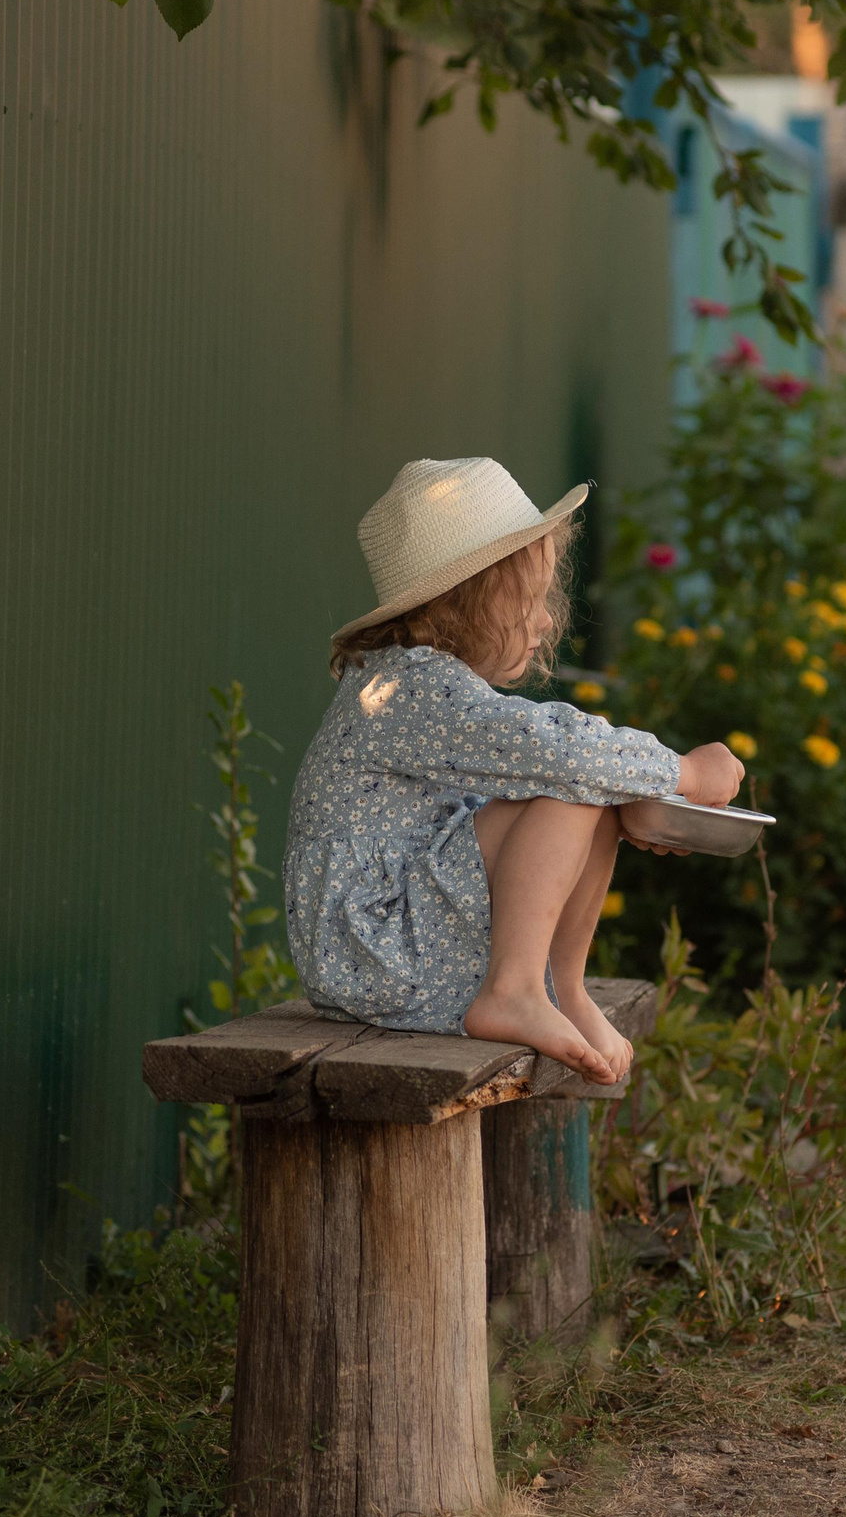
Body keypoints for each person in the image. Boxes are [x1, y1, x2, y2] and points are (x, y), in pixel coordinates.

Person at [285, 458, 742, 1082]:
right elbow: (565, 752)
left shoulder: (413, 683)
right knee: (574, 780)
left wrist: (636, 802)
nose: (549, 619)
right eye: (530, 599)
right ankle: (517, 989)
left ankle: (557, 990)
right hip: (375, 949)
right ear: (464, 605)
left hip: (383, 943)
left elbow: (558, 772)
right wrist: (684, 773)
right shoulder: (416, 688)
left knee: (587, 786)